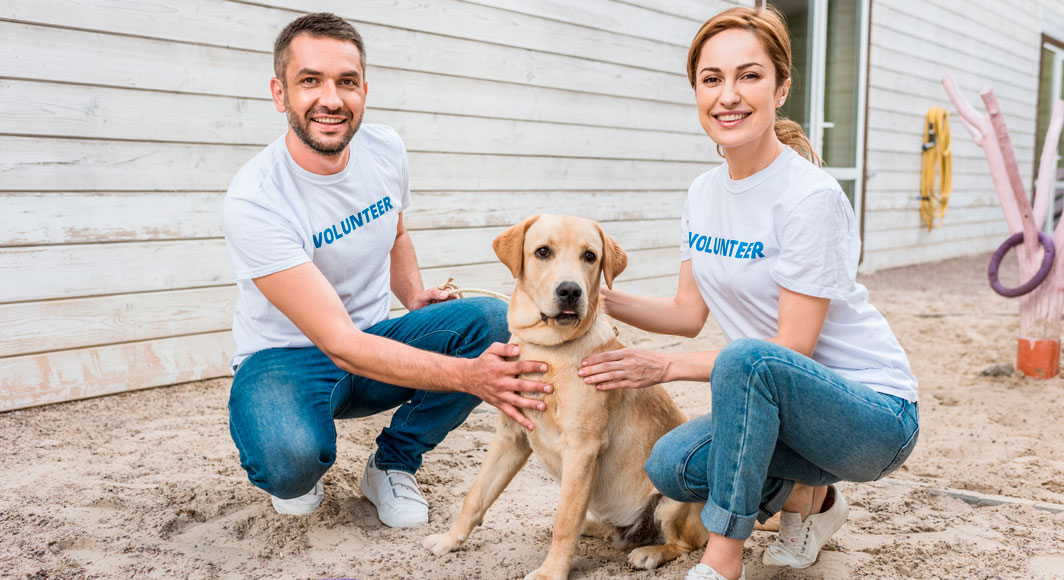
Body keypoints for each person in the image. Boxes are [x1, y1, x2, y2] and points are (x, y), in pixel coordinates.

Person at [577, 7, 919, 580]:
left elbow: (790, 350)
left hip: (872, 417)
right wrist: (583, 294)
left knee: (748, 358)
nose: (728, 95)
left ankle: (723, 558)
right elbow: (688, 314)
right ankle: (817, 501)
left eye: (749, 76)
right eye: (712, 79)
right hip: (772, 398)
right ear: (696, 91)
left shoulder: (810, 197)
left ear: (782, 87)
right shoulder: (703, 192)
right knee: (671, 465)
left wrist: (663, 367)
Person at [221, 13, 551, 529]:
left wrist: (414, 294)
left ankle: (391, 465)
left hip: (371, 337)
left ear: (364, 90)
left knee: (492, 323)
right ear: (279, 93)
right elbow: (339, 343)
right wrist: (469, 376)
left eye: (346, 82)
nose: (331, 99)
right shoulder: (256, 200)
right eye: (310, 80)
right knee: (289, 464)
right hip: (284, 360)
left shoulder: (384, 149)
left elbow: (395, 232)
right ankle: (302, 467)